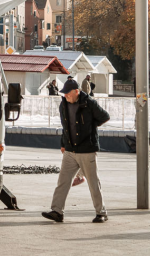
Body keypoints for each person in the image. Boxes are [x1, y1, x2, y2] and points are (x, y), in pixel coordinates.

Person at [42, 78, 111, 223]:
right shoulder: (63, 105)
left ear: (76, 92)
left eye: (68, 93)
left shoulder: (89, 103)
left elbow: (105, 116)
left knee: (93, 183)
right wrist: (63, 144)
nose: (65, 96)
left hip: (87, 150)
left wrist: (91, 126)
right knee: (63, 181)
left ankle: (101, 213)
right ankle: (57, 211)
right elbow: (65, 127)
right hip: (70, 150)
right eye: (64, 93)